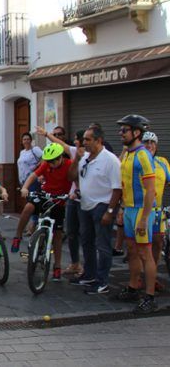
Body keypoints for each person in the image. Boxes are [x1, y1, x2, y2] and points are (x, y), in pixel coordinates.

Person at [67, 125, 122, 295]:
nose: (84, 143)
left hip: (102, 205)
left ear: (99, 140)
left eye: (88, 139)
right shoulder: (85, 157)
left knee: (102, 245)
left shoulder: (110, 160)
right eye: (83, 139)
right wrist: (76, 159)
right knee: (87, 241)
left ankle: (102, 281)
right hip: (85, 205)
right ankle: (89, 275)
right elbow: (71, 177)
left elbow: (117, 189)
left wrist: (110, 212)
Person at [114, 115, 158, 313]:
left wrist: (145, 218)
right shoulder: (127, 154)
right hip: (130, 209)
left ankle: (150, 297)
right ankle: (133, 287)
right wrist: (122, 208)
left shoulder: (143, 155)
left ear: (136, 132)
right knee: (131, 250)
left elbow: (151, 190)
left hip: (141, 210)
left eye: (124, 130)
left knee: (145, 254)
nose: (121, 133)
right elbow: (125, 185)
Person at [18, 143, 73, 281]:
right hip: (45, 195)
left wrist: (74, 193)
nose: (51, 164)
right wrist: (25, 188)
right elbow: (33, 175)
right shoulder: (47, 164)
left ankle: (57, 266)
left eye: (53, 161)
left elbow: (76, 180)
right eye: (49, 161)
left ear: (61, 157)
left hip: (59, 200)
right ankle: (17, 236)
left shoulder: (69, 164)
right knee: (28, 207)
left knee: (57, 235)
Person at [37, 127, 86, 277]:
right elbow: (61, 144)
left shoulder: (96, 156)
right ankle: (75, 264)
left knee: (86, 235)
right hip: (72, 199)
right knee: (71, 233)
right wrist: (47, 134)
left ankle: (89, 270)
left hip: (87, 200)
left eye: (77, 139)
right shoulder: (74, 152)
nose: (75, 141)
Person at [142, 131, 170, 292]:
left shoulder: (162, 162)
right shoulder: (138, 160)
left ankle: (152, 277)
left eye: (152, 142)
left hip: (158, 210)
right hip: (140, 210)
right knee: (140, 247)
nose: (149, 145)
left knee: (158, 244)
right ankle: (139, 277)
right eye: (146, 142)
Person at [12, 133, 43, 252]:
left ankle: (33, 225)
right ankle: (32, 225)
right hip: (24, 181)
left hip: (33, 181)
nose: (26, 141)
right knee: (29, 202)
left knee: (32, 203)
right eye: (24, 139)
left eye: (28, 139)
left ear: (31, 140)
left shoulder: (35, 150)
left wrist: (36, 168)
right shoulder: (22, 152)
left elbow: (44, 158)